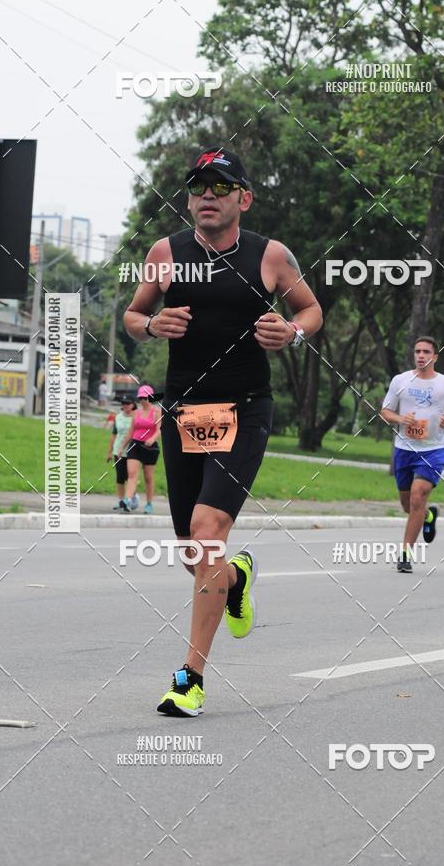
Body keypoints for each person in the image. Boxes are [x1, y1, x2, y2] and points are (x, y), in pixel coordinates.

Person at [123, 146, 322, 716]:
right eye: (197, 186)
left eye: (219, 185)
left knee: (208, 529)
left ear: (243, 198)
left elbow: (311, 310)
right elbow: (134, 316)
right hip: (183, 411)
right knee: (196, 554)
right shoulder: (166, 252)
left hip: (244, 410)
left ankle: (190, 676)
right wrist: (151, 324)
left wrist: (292, 331)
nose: (206, 195)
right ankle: (234, 578)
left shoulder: (270, 256)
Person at [381, 336, 444, 573]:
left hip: (433, 450)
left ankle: (405, 553)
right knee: (408, 505)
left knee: (418, 496)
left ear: (435, 357)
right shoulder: (401, 381)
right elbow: (385, 411)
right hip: (404, 449)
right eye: (417, 351)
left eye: (426, 352)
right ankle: (427, 516)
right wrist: (399, 419)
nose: (421, 355)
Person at [120, 385, 160, 514]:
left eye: (145, 397)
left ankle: (149, 503)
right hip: (135, 445)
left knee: (148, 477)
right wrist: (121, 448)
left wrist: (153, 438)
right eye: (141, 398)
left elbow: (160, 429)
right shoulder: (136, 413)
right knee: (132, 474)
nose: (142, 400)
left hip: (150, 447)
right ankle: (127, 500)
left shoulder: (156, 411)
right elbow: (131, 431)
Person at [106, 395, 137, 511]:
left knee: (130, 478)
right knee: (120, 477)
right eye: (123, 403)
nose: (125, 406)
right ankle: (121, 501)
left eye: (127, 403)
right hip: (118, 451)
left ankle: (130, 499)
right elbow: (114, 435)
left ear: (133, 405)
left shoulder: (136, 417)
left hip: (132, 451)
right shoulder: (118, 417)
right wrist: (109, 452)